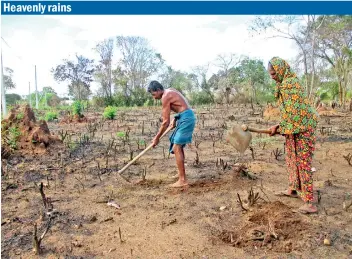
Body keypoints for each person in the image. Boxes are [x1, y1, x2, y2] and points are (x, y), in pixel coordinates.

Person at [267, 57, 319, 214]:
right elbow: (289, 113)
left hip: (303, 129)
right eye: (270, 73)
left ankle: (310, 202)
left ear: (281, 70)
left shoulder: (290, 85)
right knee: (291, 159)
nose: (272, 76)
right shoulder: (283, 84)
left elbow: (297, 114)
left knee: (303, 163)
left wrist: (281, 128)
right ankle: (293, 189)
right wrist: (280, 126)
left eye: (274, 73)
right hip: (293, 128)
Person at [147, 80, 196, 188]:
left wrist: (156, 138)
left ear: (159, 90)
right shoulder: (170, 91)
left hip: (187, 118)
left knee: (176, 147)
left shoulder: (165, 96)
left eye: (154, 94)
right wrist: (177, 117)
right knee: (177, 146)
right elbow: (181, 104)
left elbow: (165, 122)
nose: (154, 97)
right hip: (185, 116)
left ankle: (182, 180)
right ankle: (181, 175)